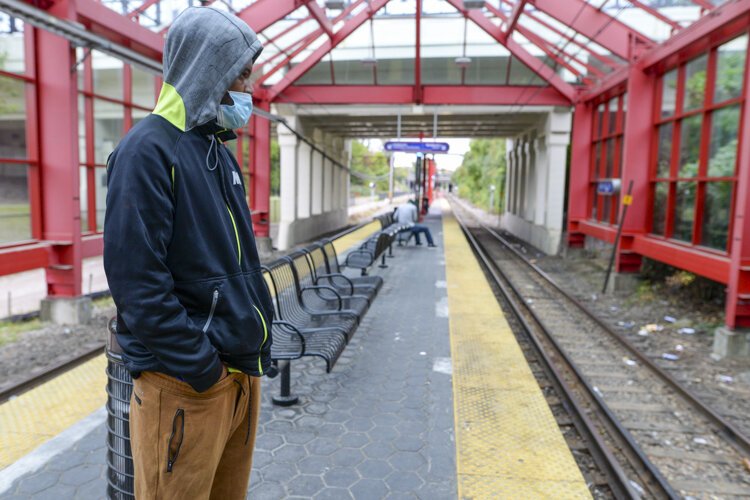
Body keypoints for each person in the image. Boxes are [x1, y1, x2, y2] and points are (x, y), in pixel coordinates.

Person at [103, 7, 272, 499]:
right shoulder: (148, 151)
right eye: (240, 72)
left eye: (249, 73)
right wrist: (203, 368)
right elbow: (138, 284)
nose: (248, 87)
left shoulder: (215, 151)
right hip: (184, 384)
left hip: (237, 376)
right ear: (206, 67)